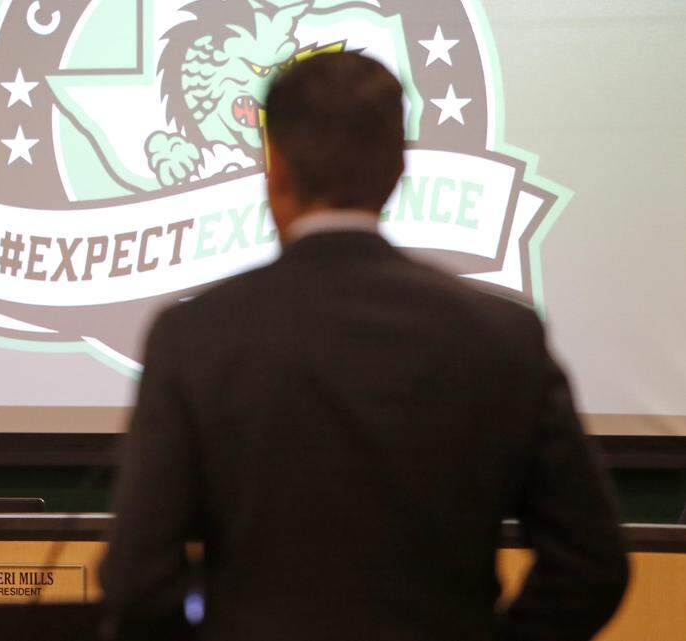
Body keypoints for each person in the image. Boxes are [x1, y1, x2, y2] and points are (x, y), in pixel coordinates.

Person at [101, 53, 628, 641]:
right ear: (398, 171)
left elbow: (137, 582)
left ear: (274, 169)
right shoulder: (502, 334)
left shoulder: (195, 335)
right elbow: (592, 565)